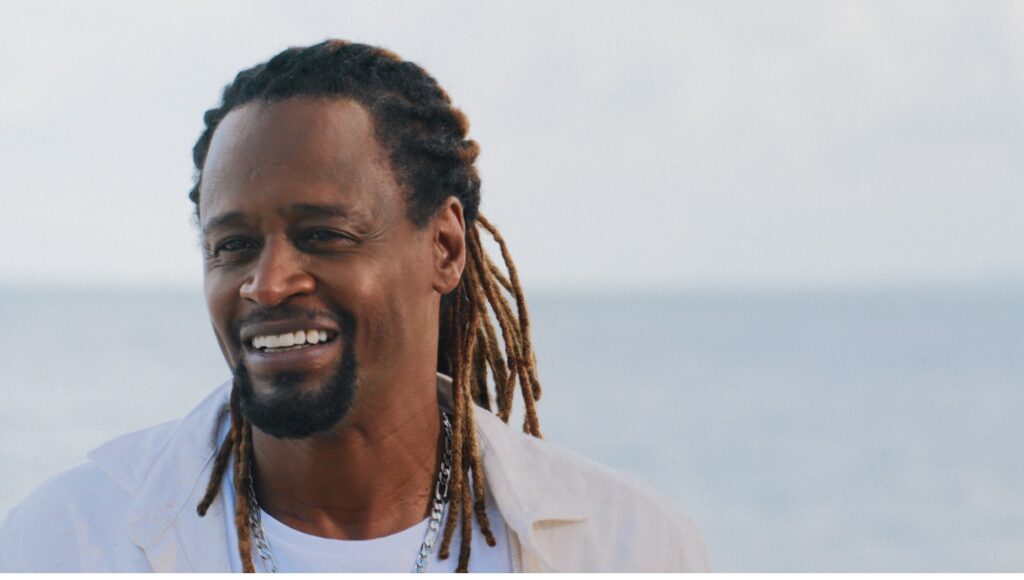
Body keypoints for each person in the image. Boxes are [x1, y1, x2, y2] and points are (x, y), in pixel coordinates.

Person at [0, 40, 709, 573]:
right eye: (233, 246)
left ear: (444, 247)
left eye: (324, 236)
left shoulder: (630, 548)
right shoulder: (66, 543)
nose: (267, 284)